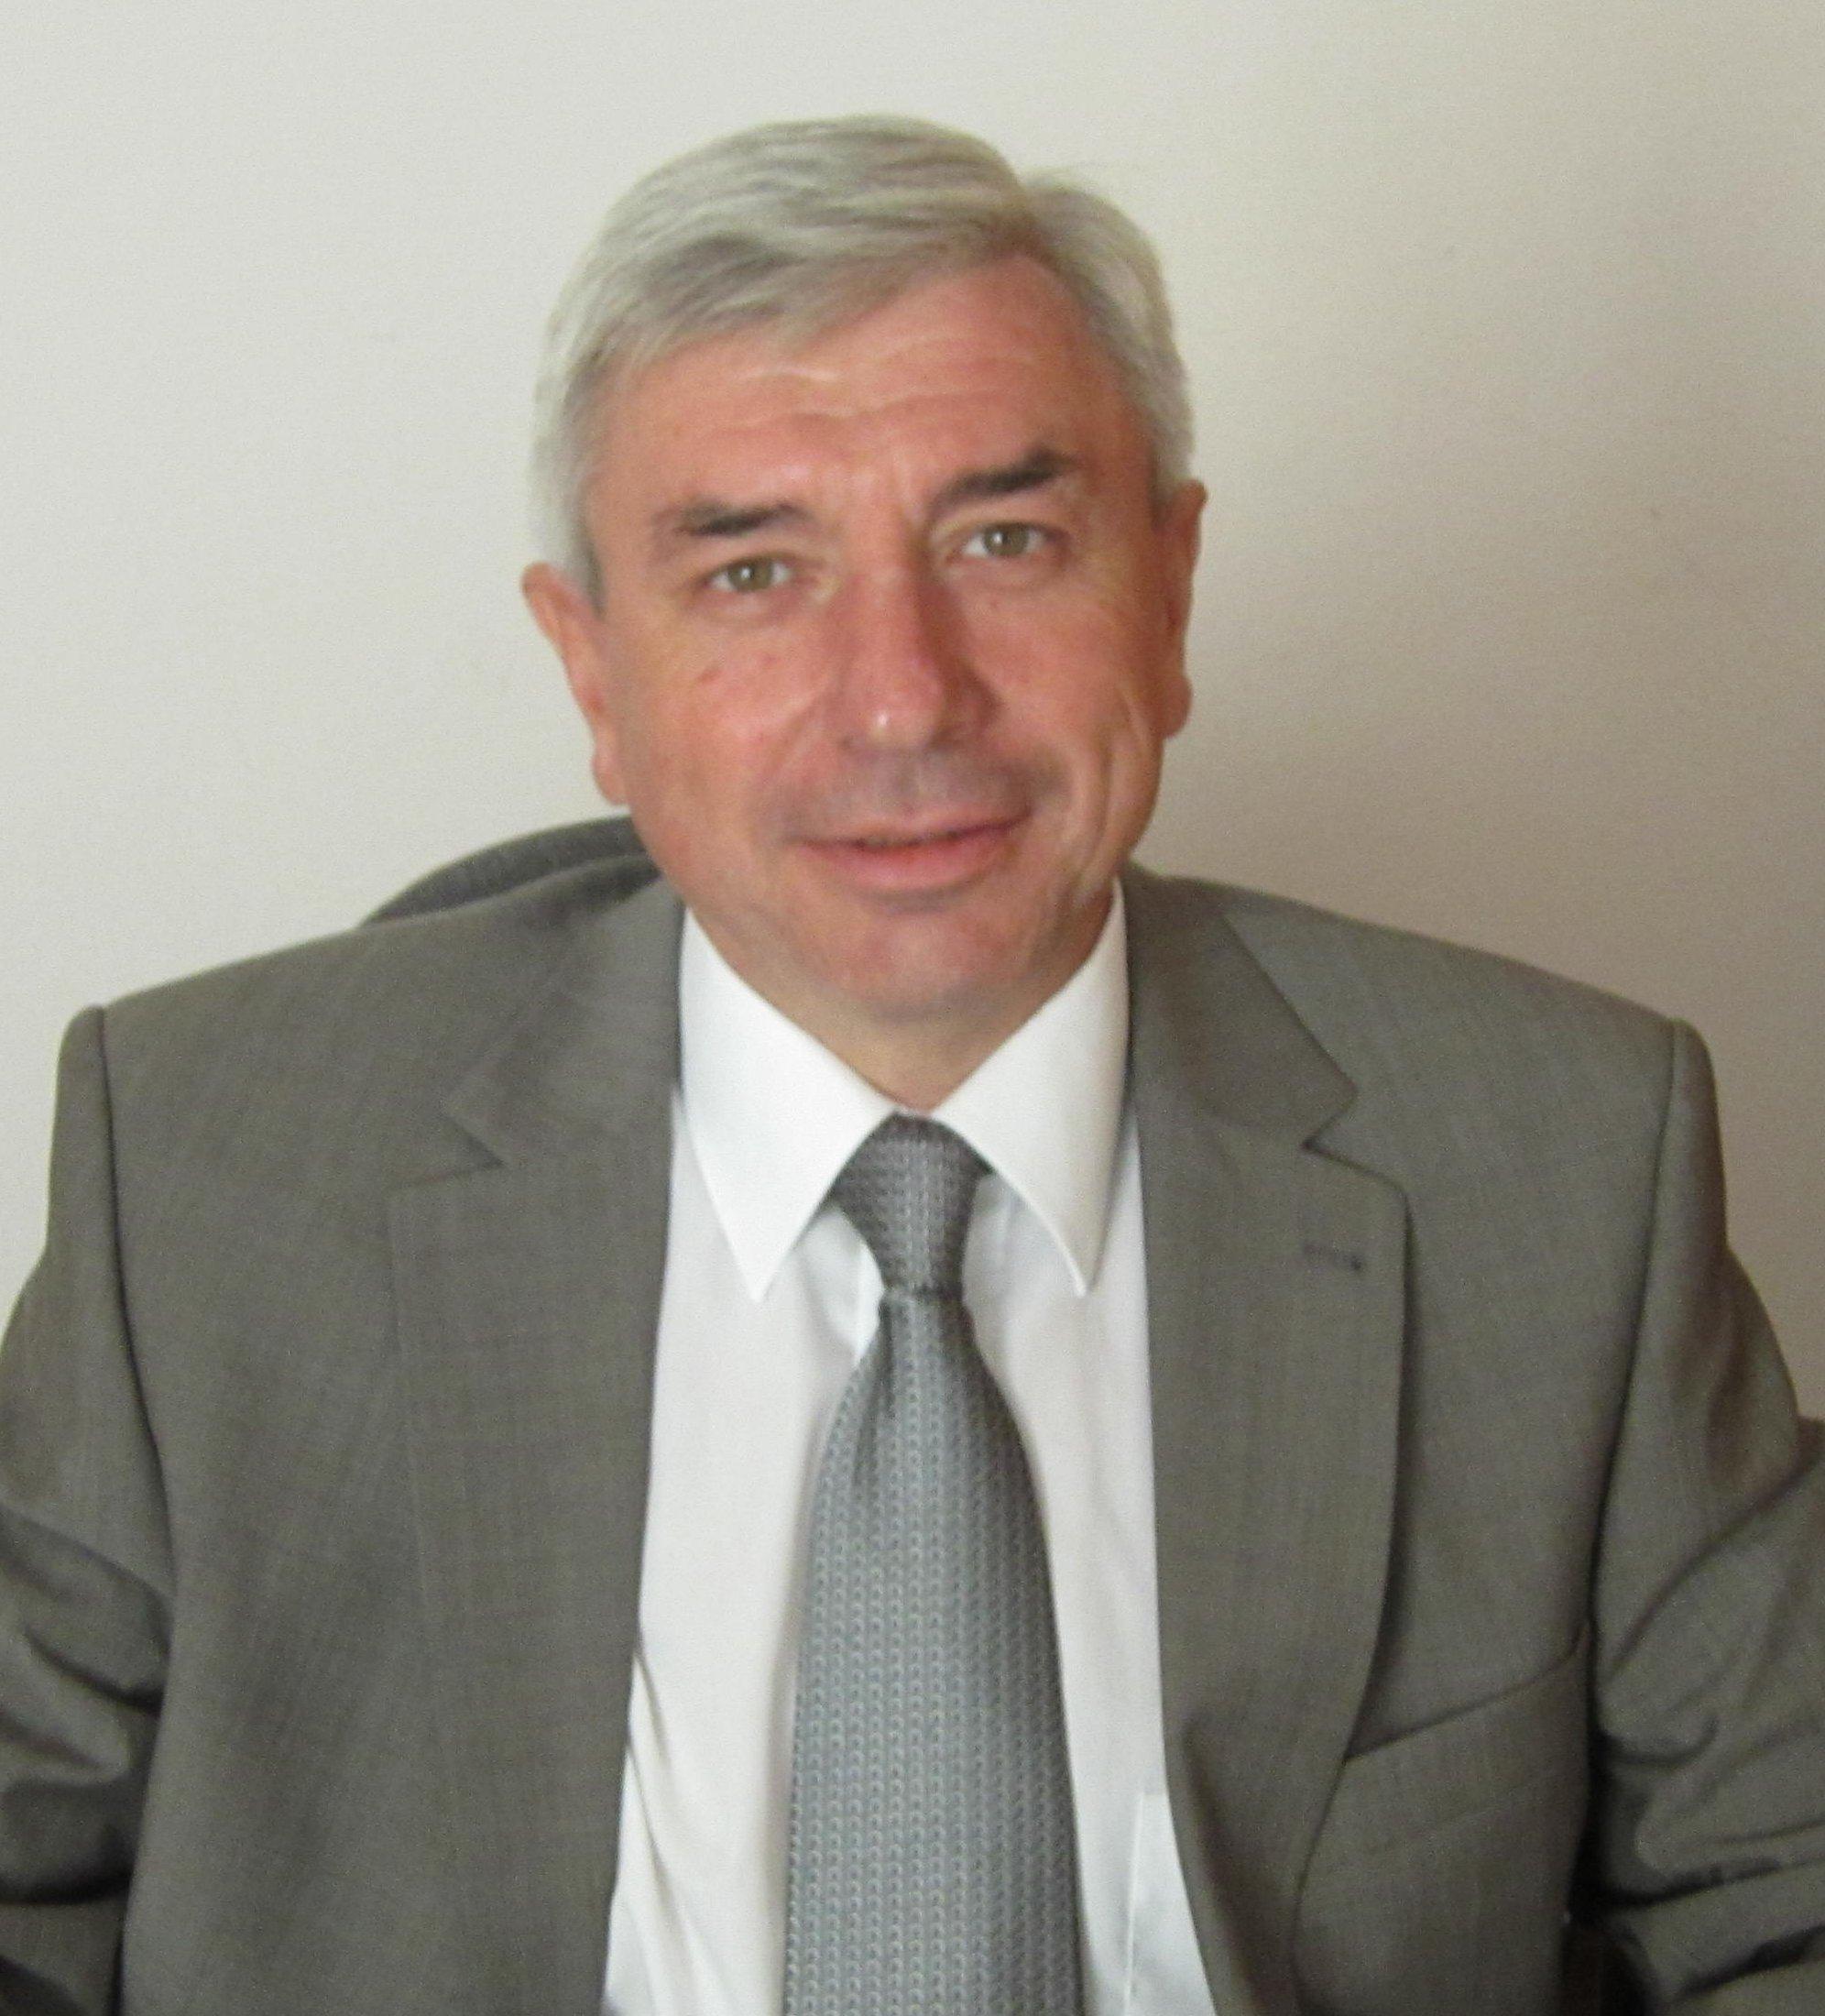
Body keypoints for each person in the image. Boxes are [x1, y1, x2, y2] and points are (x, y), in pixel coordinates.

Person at [1, 115, 1820, 2016]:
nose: (901, 696)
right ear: (593, 671)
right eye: (753, 572)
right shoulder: (205, 1179)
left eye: (1003, 541)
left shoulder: (1561, 1166)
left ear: (1171, 589)